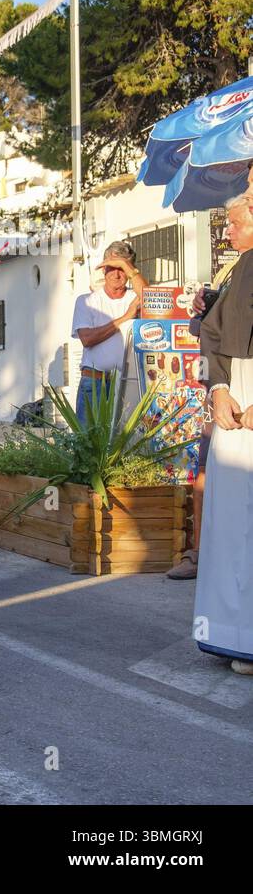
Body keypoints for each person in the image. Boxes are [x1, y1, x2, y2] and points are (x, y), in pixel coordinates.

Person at [196, 194, 253, 675]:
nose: (227, 232)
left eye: (233, 223)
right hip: (235, 397)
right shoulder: (238, 269)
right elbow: (215, 335)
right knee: (232, 519)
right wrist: (218, 387)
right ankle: (235, 635)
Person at [71, 240, 147, 423]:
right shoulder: (87, 301)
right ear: (104, 269)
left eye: (122, 268)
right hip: (95, 383)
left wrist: (127, 266)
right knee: (88, 443)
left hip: (129, 382)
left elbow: (153, 299)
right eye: (112, 267)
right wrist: (126, 317)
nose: (117, 273)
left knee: (128, 444)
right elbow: (87, 339)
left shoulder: (136, 297)